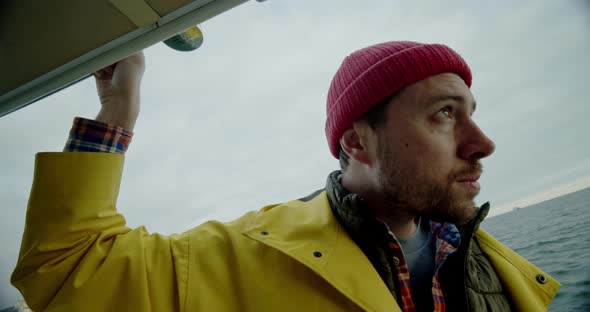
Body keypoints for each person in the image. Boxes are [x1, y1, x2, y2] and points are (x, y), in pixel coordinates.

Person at [11, 41, 559, 311]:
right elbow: (65, 273)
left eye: (472, 111)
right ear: (356, 142)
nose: (483, 143)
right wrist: (118, 111)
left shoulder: (501, 267)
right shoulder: (241, 257)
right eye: (444, 113)